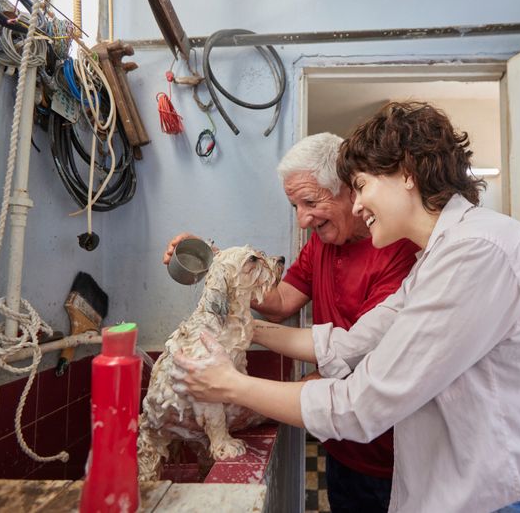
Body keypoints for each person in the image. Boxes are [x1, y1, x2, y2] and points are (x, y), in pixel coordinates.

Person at [170, 102, 520, 512]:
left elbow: (362, 403)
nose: (358, 204)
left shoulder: (476, 254)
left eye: (360, 185)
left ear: (407, 174)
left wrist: (232, 385)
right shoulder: (437, 258)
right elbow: (348, 345)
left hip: (494, 502)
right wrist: (238, 324)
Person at [163, 132, 420, 512]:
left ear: (351, 190)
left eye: (310, 202)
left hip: (394, 456)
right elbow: (280, 300)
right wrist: (223, 266)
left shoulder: (399, 250)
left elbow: (357, 351)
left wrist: (237, 385)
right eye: (295, 206)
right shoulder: (321, 242)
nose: (302, 218)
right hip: (341, 445)